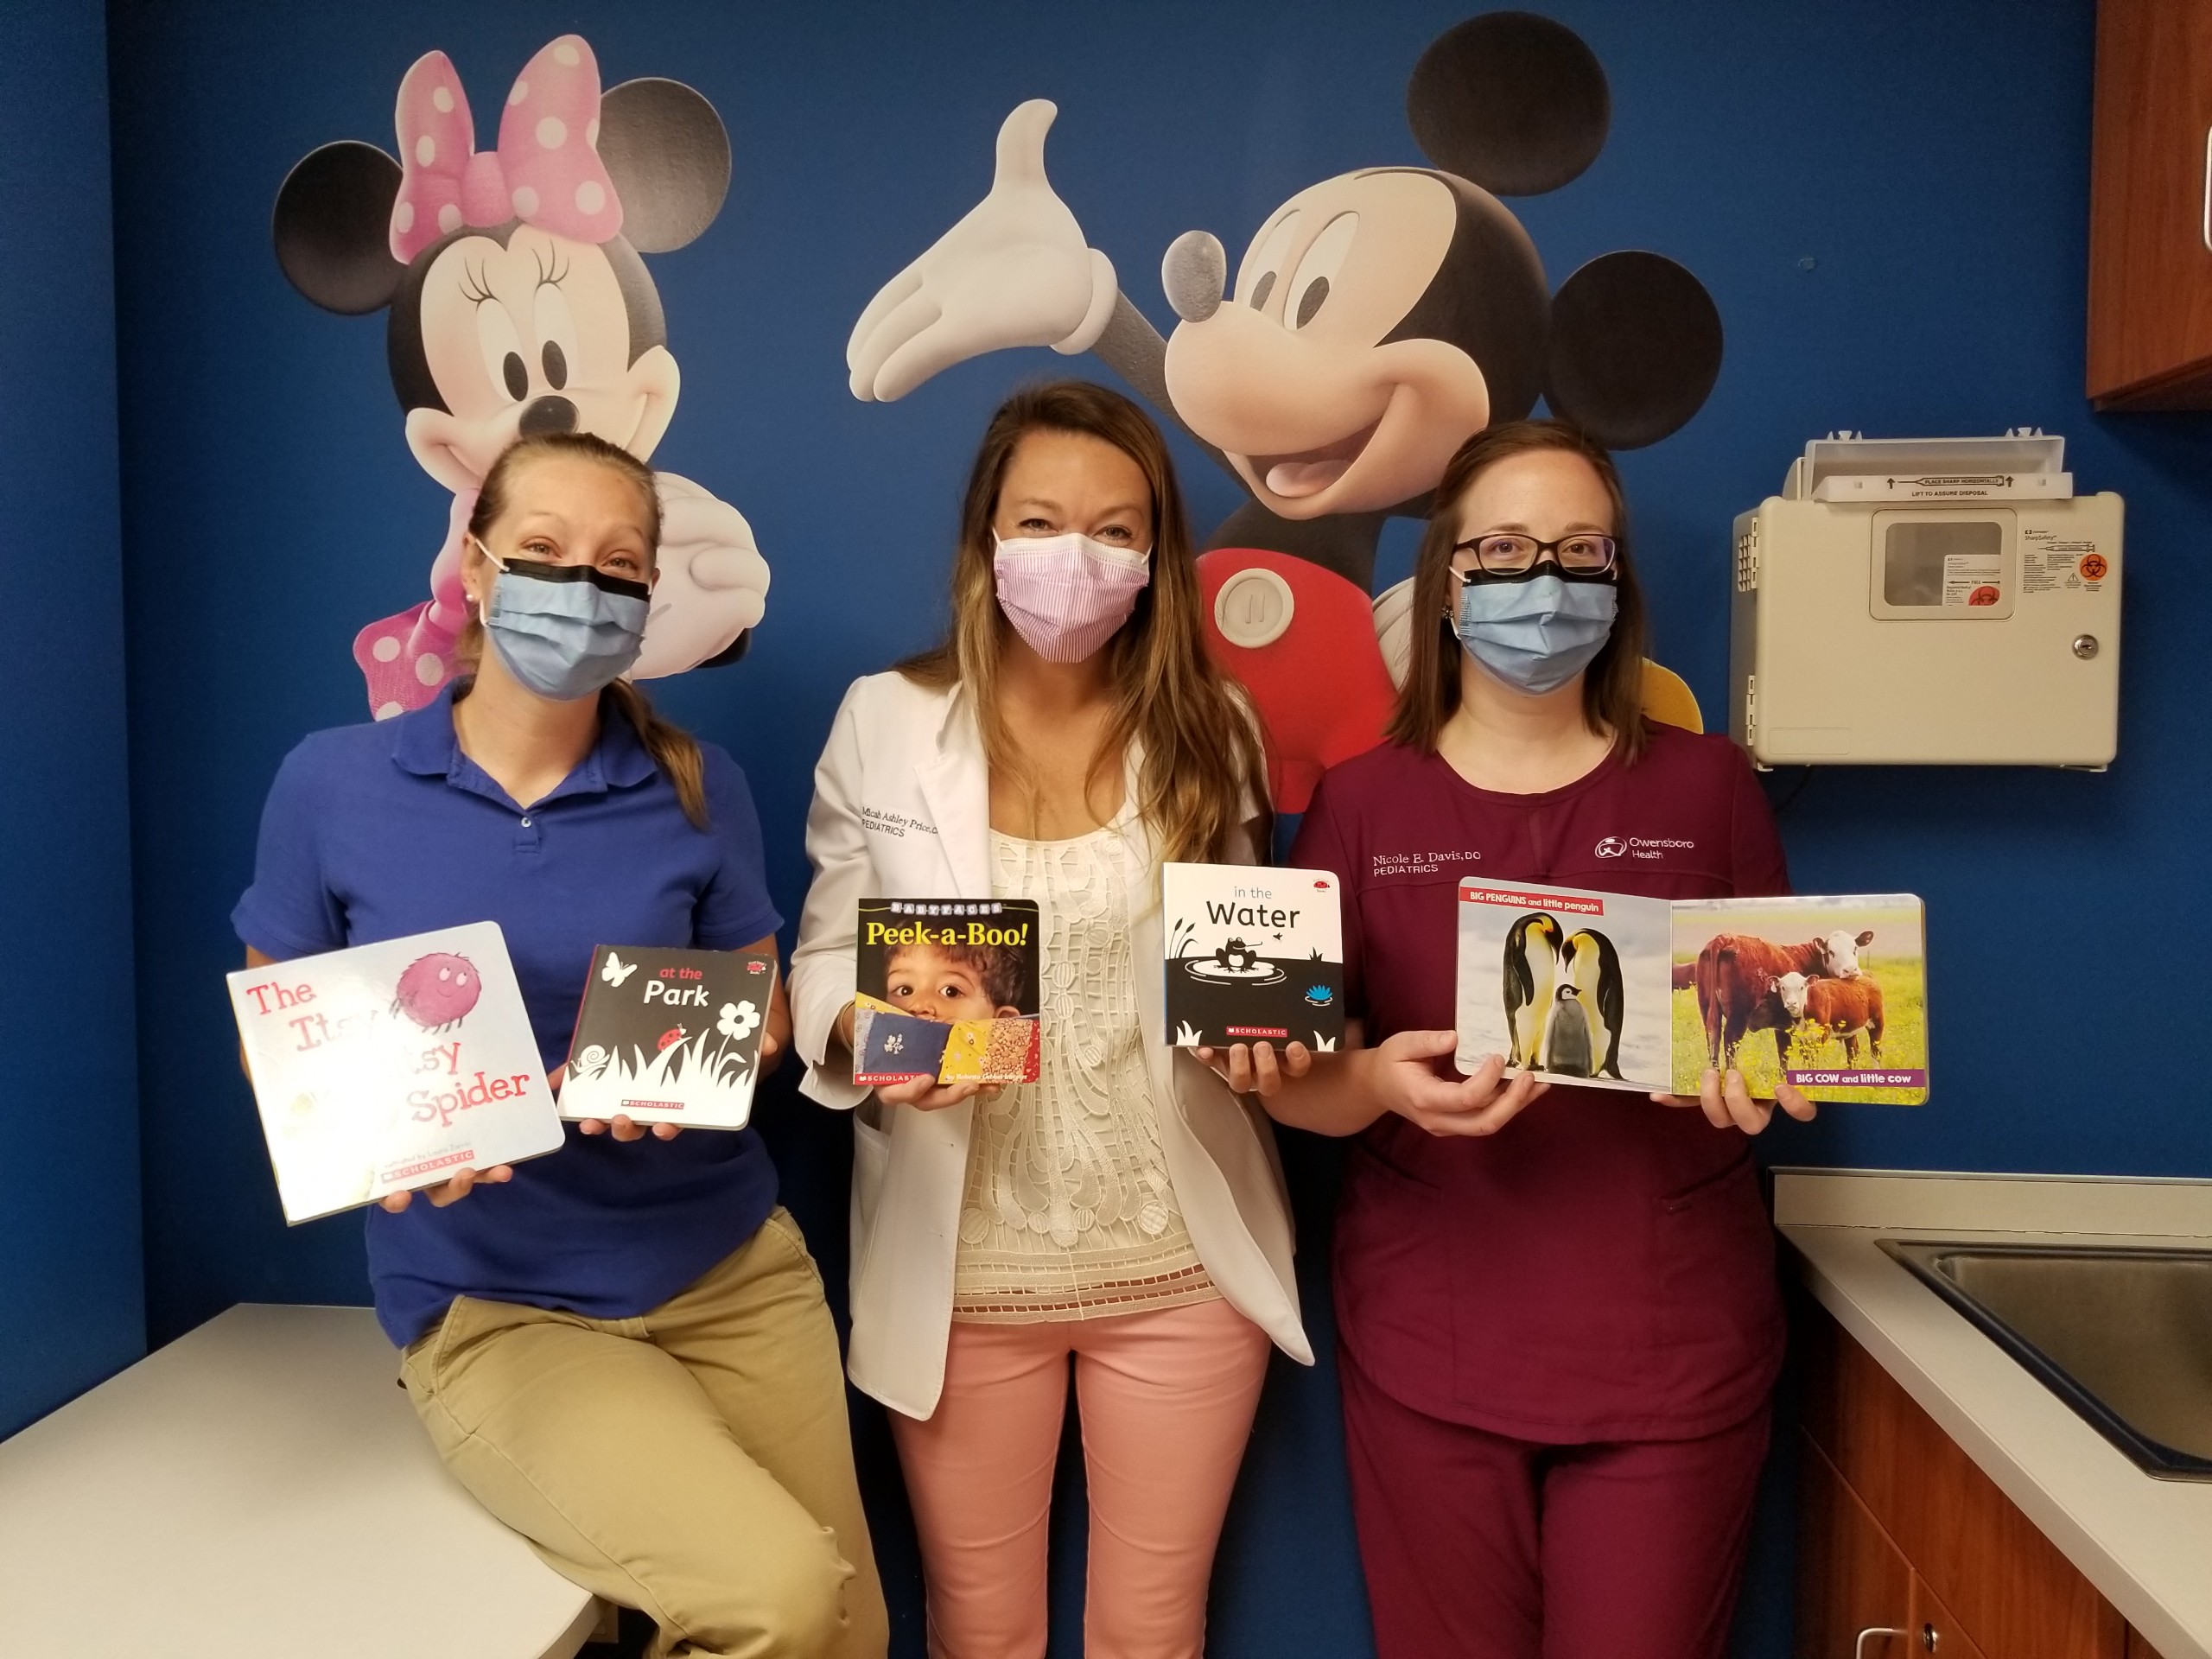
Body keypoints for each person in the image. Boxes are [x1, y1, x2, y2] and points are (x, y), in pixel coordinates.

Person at [232, 430, 887, 1659]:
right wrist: (380, 1140)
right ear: (475, 571)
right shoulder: (333, 785)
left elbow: (763, 1007)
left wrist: (689, 1068)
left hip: (731, 1270)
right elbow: (287, 1037)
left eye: (618, 566)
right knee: (781, 1600)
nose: (581, 588)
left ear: (645, 602)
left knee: (853, 1629)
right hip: (502, 1307)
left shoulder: (700, 785)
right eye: (543, 552)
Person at [1214, 420, 1816, 1659]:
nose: (1542, 581)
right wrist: (1372, 1079)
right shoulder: (1364, 801)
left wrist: (1764, 1077)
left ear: (1617, 579)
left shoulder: (1709, 788)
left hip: (1669, 1350)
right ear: (1448, 582)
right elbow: (1295, 1082)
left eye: (1578, 550)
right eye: (1502, 548)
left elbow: (1770, 1035)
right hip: (1433, 1343)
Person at [790, 380, 1311, 1659]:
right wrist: (876, 1036)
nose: (1077, 557)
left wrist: (1273, 1044)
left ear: (1155, 556)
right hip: (962, 1273)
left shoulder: (1212, 728)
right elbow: (820, 961)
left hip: (1180, 1261)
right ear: (988, 536)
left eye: (1116, 530)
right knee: (981, 1633)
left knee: (1151, 1632)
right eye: (1042, 520)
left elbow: (1241, 972)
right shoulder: (887, 719)